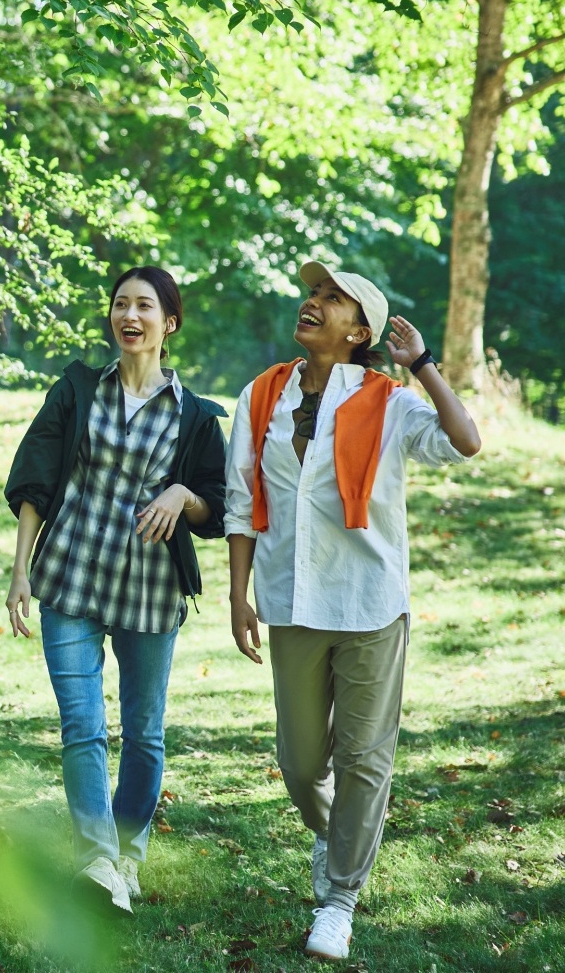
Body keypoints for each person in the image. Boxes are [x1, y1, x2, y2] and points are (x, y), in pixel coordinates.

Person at [223, 262, 482, 961]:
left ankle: (339, 898)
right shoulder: (262, 395)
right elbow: (243, 502)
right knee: (302, 762)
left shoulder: (389, 400)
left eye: (332, 299)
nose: (313, 302)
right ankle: (335, 833)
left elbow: (466, 440)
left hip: (369, 604)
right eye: (314, 293)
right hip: (293, 602)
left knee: (364, 758)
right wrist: (238, 591)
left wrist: (422, 365)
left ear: (360, 330)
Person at [3, 266, 229, 917]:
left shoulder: (195, 417)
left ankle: (129, 851)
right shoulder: (76, 391)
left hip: (149, 595)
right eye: (121, 304)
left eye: (145, 306)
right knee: (82, 726)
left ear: (170, 322)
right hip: (69, 581)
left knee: (144, 731)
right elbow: (36, 480)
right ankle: (97, 858)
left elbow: (217, 508)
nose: (130, 315)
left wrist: (182, 493)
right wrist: (21, 570)